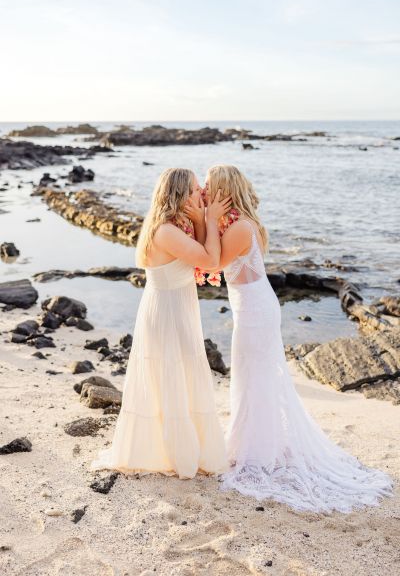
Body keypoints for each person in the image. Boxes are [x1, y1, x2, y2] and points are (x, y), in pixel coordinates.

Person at [189, 164, 394, 513]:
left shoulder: (239, 227)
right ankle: (253, 446)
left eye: (208, 186)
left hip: (255, 310)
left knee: (255, 378)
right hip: (252, 307)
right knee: (251, 377)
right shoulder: (238, 224)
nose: (204, 191)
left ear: (224, 190)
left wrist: (204, 219)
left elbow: (211, 266)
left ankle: (255, 453)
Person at [90, 167, 231, 479]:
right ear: (180, 194)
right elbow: (210, 261)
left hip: (176, 307)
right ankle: (178, 456)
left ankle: (186, 450)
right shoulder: (166, 231)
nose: (201, 195)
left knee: (182, 378)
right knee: (172, 378)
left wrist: (199, 219)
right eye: (196, 190)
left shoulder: (175, 227)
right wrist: (207, 218)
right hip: (167, 312)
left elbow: (203, 255)